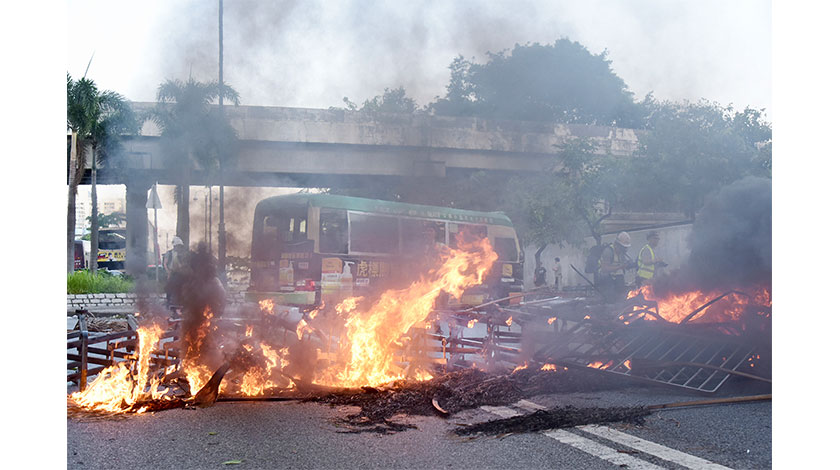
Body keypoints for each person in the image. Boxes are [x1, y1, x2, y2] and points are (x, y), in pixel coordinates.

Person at [595, 231, 634, 302]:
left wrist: (629, 265)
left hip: (616, 277)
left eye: (625, 248)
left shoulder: (621, 253)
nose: (624, 250)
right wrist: (620, 267)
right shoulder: (608, 251)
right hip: (605, 279)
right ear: (617, 244)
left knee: (621, 296)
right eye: (623, 247)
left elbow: (623, 264)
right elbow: (604, 269)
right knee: (610, 298)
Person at [163, 236, 189, 306]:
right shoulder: (169, 253)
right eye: (178, 246)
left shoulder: (181, 254)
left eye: (180, 246)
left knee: (180, 287)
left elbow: (183, 264)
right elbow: (165, 263)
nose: (179, 248)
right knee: (169, 287)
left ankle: (180, 302)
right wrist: (168, 272)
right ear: (174, 246)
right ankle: (169, 302)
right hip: (171, 272)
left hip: (179, 273)